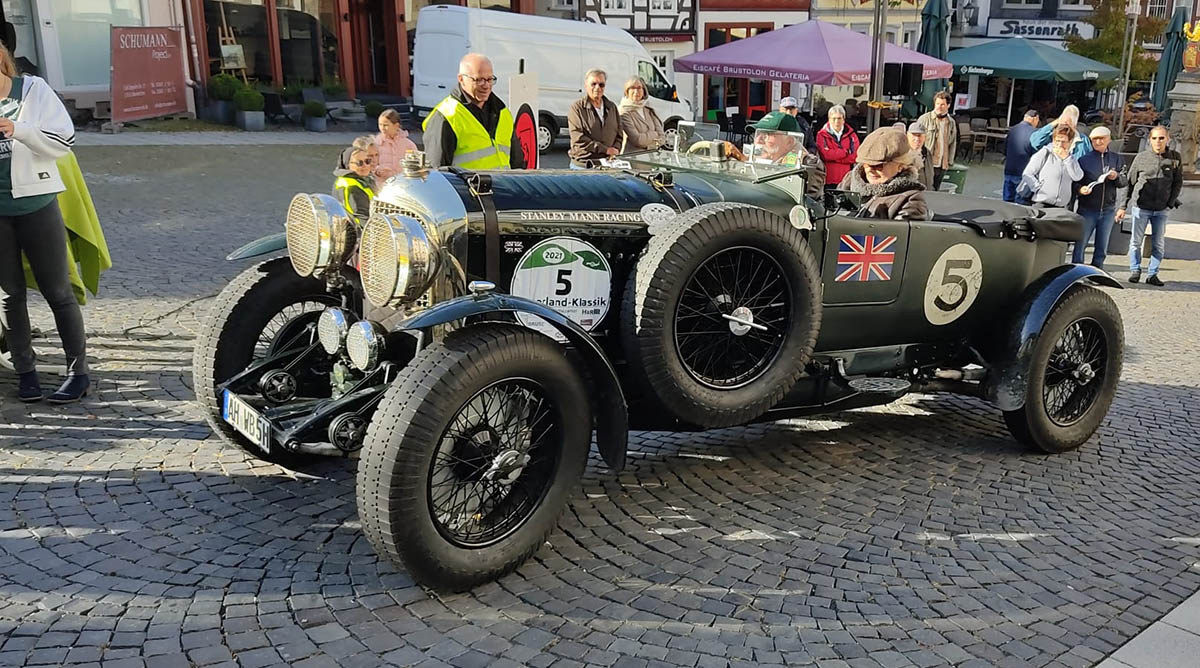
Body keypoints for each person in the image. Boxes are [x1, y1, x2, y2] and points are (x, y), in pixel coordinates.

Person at [0, 43, 89, 403]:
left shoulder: (33, 91)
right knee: (9, 297)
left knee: (58, 292)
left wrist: (17, 129)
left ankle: (77, 373)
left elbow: (63, 143)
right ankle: (26, 373)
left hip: (37, 206)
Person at [422, 53, 526, 170]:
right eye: (479, 80)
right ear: (461, 79)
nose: (486, 85)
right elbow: (437, 173)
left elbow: (517, 163)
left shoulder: (502, 112)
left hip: (502, 187)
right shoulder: (446, 115)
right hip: (466, 188)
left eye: (490, 79)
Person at [1116, 125, 1182, 286]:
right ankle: (1135, 270)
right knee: (1135, 242)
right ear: (1149, 140)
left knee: (1158, 243)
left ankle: (1153, 274)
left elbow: (1177, 183)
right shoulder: (1141, 158)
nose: (1158, 142)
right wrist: (1122, 206)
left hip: (1161, 208)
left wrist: (1170, 202)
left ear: (1168, 139)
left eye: (1161, 138)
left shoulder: (1175, 158)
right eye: (1154, 138)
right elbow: (1130, 183)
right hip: (1141, 206)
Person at [837, 128, 928, 221]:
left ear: (901, 166)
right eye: (866, 164)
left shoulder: (910, 200)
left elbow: (900, 233)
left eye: (878, 166)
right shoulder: (849, 181)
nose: (870, 170)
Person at [1073, 126, 1126, 267]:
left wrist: (1116, 177)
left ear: (1109, 139)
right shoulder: (1084, 160)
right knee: (1081, 243)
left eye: (1101, 138)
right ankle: (1077, 270)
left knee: (1102, 245)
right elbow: (1074, 183)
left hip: (1108, 209)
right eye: (1094, 139)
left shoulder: (1116, 159)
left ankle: (1097, 270)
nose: (1098, 142)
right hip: (1087, 208)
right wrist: (1080, 189)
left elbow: (1124, 182)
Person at [569, 69, 621, 168]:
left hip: (607, 163)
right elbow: (578, 138)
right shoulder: (577, 108)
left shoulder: (611, 107)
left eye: (601, 84)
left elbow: (619, 132)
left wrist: (615, 149)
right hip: (584, 164)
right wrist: (605, 149)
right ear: (586, 85)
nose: (597, 88)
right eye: (593, 84)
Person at [1020, 125, 1083, 209]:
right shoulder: (1045, 153)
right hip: (1042, 203)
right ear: (1053, 140)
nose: (1060, 145)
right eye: (1057, 141)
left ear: (1070, 142)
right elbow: (1027, 173)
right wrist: (1038, 188)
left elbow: (1077, 176)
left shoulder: (1071, 159)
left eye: (1063, 142)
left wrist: (1067, 159)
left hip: (1061, 206)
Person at [917, 91, 958, 191]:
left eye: (942, 104)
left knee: (936, 189)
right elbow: (916, 139)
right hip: (927, 163)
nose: (939, 107)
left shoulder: (951, 122)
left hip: (942, 163)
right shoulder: (924, 119)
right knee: (925, 189)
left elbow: (953, 143)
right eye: (937, 104)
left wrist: (950, 161)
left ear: (948, 105)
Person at [815, 104, 859, 189]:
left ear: (844, 119)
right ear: (829, 119)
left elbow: (854, 157)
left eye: (839, 118)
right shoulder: (821, 135)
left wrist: (834, 155)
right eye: (833, 118)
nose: (836, 122)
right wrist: (845, 152)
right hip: (828, 179)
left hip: (846, 179)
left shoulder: (852, 135)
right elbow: (825, 155)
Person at [617, 76, 665, 152]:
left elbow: (662, 138)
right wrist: (654, 134)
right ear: (627, 91)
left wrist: (649, 146)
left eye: (639, 88)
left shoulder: (648, 109)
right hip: (633, 158)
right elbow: (637, 140)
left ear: (644, 91)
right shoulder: (623, 111)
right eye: (632, 88)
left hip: (651, 157)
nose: (636, 91)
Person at [333, 141, 376, 224]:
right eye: (359, 163)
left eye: (367, 161)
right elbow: (360, 217)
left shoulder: (363, 179)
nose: (365, 166)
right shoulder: (351, 186)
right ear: (347, 165)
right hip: (359, 233)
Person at [1003, 109, 1041, 203]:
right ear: (1035, 119)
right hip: (1024, 171)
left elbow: (1004, 148)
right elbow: (1036, 154)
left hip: (1009, 169)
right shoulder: (1035, 133)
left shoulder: (1012, 129)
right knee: (1020, 203)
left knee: (1007, 201)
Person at [374, 108, 416, 180]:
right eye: (380, 124)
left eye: (386, 125)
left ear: (396, 125)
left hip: (402, 184)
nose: (382, 128)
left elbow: (415, 166)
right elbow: (369, 164)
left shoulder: (409, 145)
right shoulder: (376, 143)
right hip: (382, 184)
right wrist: (377, 170)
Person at [907, 122, 933, 191]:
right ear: (908, 136)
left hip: (928, 193)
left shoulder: (927, 153)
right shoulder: (904, 154)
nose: (917, 139)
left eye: (919, 135)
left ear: (925, 137)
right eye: (914, 135)